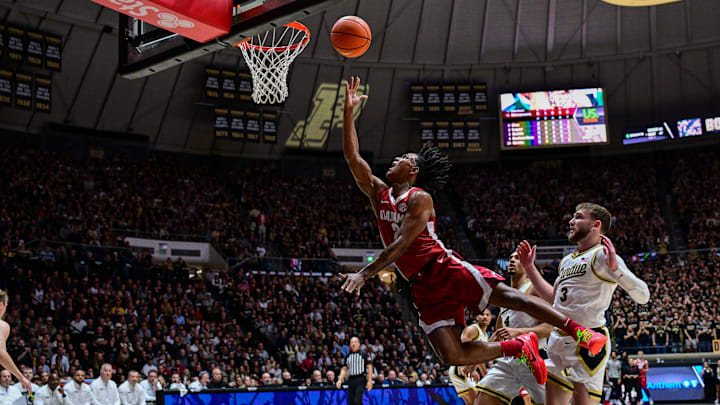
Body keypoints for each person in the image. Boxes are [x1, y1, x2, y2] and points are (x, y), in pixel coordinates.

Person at [339, 76, 607, 386]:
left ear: (413, 172)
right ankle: (519, 346)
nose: (396, 159)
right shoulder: (378, 192)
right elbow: (352, 157)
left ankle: (580, 332)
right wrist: (348, 113)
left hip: (441, 266)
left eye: (403, 159)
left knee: (509, 297)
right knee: (452, 355)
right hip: (420, 284)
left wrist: (366, 273)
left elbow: (401, 244)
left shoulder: (420, 198)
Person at [517, 203, 650, 405]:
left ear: (596, 224)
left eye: (578, 217)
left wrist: (616, 271)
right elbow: (555, 299)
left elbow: (643, 296)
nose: (571, 222)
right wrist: (530, 268)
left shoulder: (602, 255)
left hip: (587, 341)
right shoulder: (567, 260)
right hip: (559, 338)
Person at [475, 251, 553, 405]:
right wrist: (475, 361)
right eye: (510, 258)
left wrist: (519, 332)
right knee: (482, 399)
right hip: (509, 360)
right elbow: (498, 335)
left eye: (517, 258)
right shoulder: (506, 297)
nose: (512, 260)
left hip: (533, 357)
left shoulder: (532, 289)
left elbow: (550, 327)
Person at [448, 313, 492, 405]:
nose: (485, 317)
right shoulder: (473, 329)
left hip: (464, 369)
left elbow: (480, 358)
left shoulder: (485, 336)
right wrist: (470, 368)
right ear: (476, 317)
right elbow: (464, 348)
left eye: (487, 315)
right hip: (461, 368)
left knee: (472, 403)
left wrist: (485, 374)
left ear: (491, 318)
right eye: (482, 314)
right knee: (477, 401)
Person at [0, 291, 32, 395]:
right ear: (1, 305)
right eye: (6, 305)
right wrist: (21, 377)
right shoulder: (2, 325)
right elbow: (1, 354)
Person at [336, 337, 373, 405]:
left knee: (357, 400)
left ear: (358, 344)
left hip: (360, 379)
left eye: (355, 342)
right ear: (350, 345)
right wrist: (340, 379)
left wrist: (370, 381)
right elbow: (344, 369)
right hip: (351, 379)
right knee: (351, 402)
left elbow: (369, 367)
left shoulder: (364, 354)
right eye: (351, 342)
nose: (353, 343)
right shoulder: (347, 356)